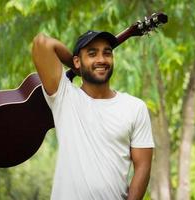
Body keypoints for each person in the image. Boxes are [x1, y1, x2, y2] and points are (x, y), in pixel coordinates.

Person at [31, 30, 154, 200]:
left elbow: (143, 167)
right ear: (77, 61)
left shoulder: (135, 107)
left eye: (107, 53)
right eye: (92, 53)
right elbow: (42, 42)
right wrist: (78, 67)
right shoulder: (64, 97)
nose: (102, 59)